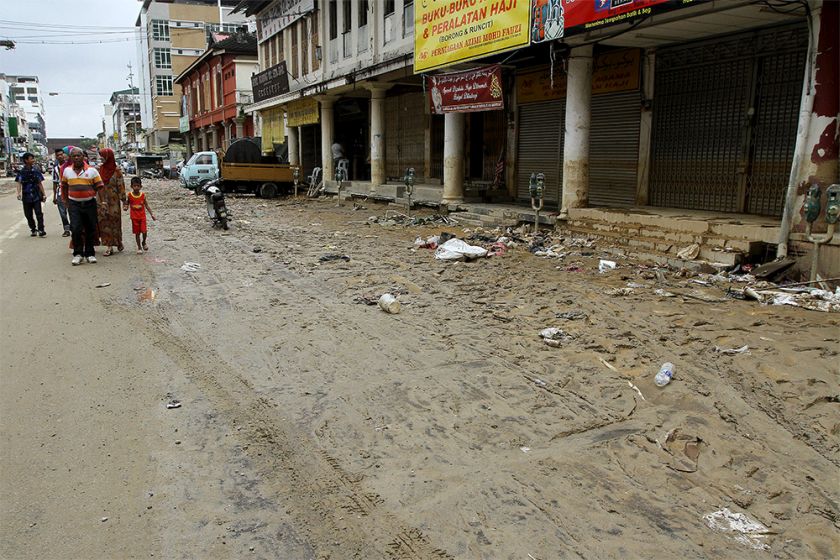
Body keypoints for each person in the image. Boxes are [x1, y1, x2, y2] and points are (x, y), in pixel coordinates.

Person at [62, 147, 104, 265]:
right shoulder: (67, 171)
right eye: (74, 156)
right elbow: (64, 186)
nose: (76, 158)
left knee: (91, 228)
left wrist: (103, 202)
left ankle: (90, 253)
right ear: (71, 158)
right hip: (74, 204)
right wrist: (65, 200)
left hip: (89, 203)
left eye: (78, 155)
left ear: (83, 157)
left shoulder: (92, 171)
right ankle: (78, 254)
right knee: (75, 228)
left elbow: (100, 186)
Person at [96, 148, 126, 256]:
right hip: (101, 199)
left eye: (103, 156)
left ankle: (118, 241)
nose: (101, 158)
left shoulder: (117, 171)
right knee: (104, 222)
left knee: (115, 222)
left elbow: (121, 186)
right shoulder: (99, 170)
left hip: (114, 200)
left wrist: (124, 200)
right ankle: (109, 246)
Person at [15, 152, 47, 237]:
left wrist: (44, 194)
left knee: (39, 213)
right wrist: (18, 193)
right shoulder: (21, 172)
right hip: (26, 196)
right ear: (26, 160)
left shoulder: (36, 170)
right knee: (28, 215)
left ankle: (41, 229)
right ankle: (33, 229)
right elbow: (19, 182)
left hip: (36, 195)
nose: (33, 160)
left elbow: (40, 183)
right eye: (31, 158)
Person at [125, 177, 156, 253]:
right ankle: (139, 247)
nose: (136, 188)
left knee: (144, 231)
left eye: (138, 186)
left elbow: (147, 205)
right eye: (134, 186)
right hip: (134, 218)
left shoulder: (143, 195)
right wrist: (125, 207)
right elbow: (127, 203)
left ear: (140, 186)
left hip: (142, 217)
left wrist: (152, 214)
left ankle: (144, 242)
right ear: (131, 186)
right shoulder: (129, 195)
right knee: (137, 233)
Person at [52, 148, 71, 236]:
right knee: (62, 212)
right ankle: (66, 229)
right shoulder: (55, 169)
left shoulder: (70, 166)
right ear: (56, 157)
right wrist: (54, 196)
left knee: (72, 211)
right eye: (58, 155)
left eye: (61, 154)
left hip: (70, 191)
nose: (60, 156)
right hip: (60, 192)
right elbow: (55, 183)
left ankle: (74, 227)